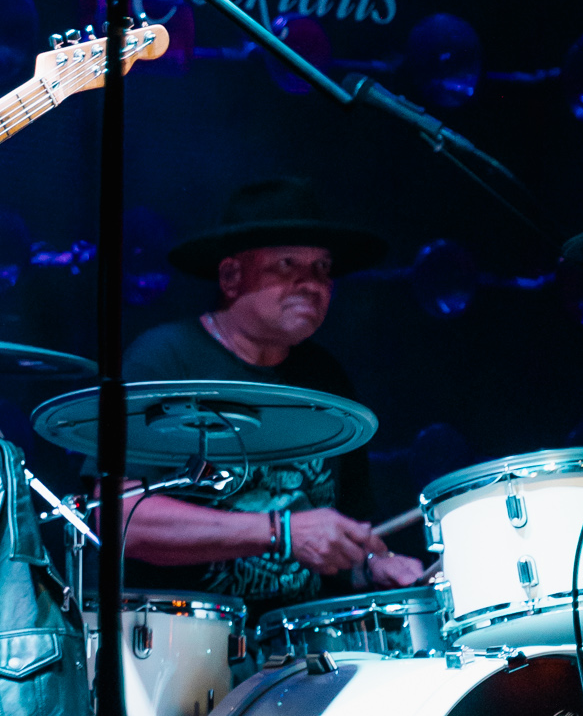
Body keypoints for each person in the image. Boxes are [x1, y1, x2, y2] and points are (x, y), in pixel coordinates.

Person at [122, 177, 423, 625]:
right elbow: (121, 519)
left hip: (305, 642)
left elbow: (340, 530)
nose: (312, 283)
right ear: (231, 277)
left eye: (323, 268)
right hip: (183, 641)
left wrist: (371, 564)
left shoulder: (325, 377)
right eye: (287, 264)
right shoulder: (165, 360)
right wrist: (278, 531)